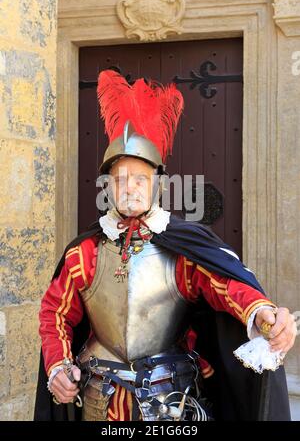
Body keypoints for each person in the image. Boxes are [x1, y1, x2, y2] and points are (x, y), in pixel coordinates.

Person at [34, 69, 296, 421]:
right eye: (120, 179)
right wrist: (58, 366)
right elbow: (56, 313)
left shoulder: (183, 249)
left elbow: (227, 285)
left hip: (170, 398)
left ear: (157, 184)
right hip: (100, 398)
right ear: (107, 187)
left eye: (140, 178)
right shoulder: (84, 252)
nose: (130, 187)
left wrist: (261, 313)